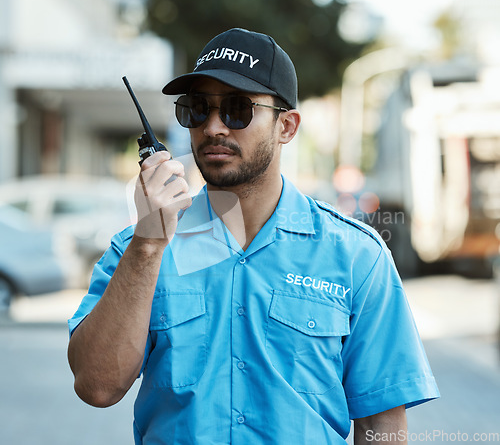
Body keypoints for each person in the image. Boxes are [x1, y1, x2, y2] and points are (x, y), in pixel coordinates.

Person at [68, 28, 439, 444]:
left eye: (236, 110)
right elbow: (96, 387)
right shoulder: (139, 247)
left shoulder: (356, 256)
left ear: (287, 126)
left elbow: (382, 427)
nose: (212, 128)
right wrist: (149, 244)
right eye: (196, 109)